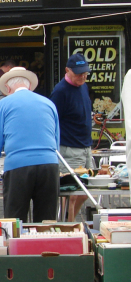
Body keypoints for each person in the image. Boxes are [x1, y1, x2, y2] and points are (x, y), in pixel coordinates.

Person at [0, 67, 60, 222]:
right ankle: (46, 245)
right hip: (49, 165)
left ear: (7, 88)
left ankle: (17, 246)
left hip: (18, 167)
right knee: (47, 221)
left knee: (15, 222)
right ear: (29, 86)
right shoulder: (49, 103)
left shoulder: (3, 105)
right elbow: (57, 142)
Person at [50, 53, 94, 221]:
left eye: (85, 72)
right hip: (69, 148)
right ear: (67, 70)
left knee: (85, 192)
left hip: (85, 147)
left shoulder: (83, 86)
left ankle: (69, 222)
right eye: (78, 73)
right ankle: (68, 226)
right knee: (71, 193)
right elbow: (52, 120)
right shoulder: (60, 92)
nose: (82, 76)